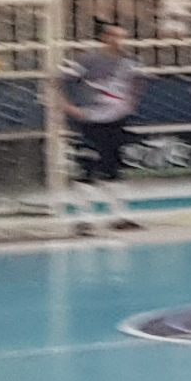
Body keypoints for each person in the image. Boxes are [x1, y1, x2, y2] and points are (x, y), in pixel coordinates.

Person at [58, 15, 150, 233]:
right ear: (104, 37)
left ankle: (120, 216)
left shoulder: (131, 61)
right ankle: (84, 219)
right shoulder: (86, 60)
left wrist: (129, 104)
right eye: (114, 36)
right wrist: (67, 106)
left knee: (114, 167)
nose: (119, 41)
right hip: (90, 120)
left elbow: (137, 83)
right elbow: (58, 81)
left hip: (116, 120)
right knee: (87, 168)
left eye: (122, 37)